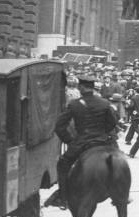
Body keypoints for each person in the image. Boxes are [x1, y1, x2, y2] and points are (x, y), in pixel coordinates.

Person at [48, 77, 119, 209]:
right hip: (102, 141)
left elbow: (59, 126)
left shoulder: (74, 104)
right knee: (118, 163)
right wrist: (103, 133)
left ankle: (63, 198)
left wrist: (69, 140)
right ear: (93, 88)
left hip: (81, 142)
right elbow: (113, 122)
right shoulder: (104, 103)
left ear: (81, 88)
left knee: (63, 164)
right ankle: (121, 194)